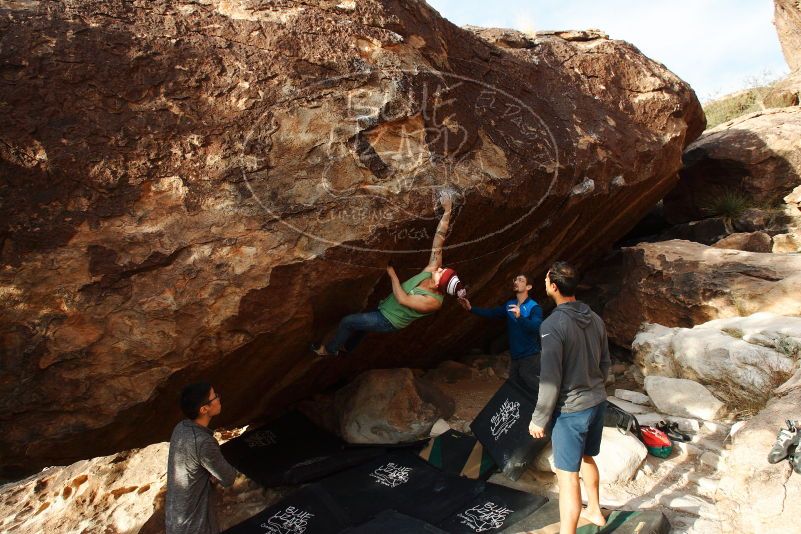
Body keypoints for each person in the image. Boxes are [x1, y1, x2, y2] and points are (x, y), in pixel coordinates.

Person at [312, 191, 466, 357]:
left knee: (348, 322)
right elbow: (439, 239)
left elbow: (403, 299)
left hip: (388, 320)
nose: (439, 268)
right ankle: (348, 347)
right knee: (361, 326)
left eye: (441, 272)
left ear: (438, 285)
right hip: (386, 306)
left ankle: (329, 350)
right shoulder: (432, 269)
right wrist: (447, 210)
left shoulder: (433, 302)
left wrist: (392, 274)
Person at [528, 261, 611, 534]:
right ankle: (596, 512)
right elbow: (605, 364)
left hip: (572, 411)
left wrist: (539, 418)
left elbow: (550, 378)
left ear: (553, 286)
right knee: (587, 457)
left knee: (566, 479)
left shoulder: (553, 324)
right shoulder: (595, 318)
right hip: (597, 402)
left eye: (545, 281)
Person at [166, 383, 238, 534]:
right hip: (196, 525)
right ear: (204, 409)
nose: (219, 399)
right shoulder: (203, 442)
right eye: (215, 397)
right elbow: (228, 478)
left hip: (175, 520)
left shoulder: (181, 428)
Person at [458, 274, 543, 391]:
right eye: (515, 279)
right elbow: (492, 313)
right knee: (517, 387)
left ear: (528, 287)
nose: (516, 282)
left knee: (530, 381)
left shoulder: (534, 307)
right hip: (515, 356)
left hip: (531, 356)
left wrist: (520, 317)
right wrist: (471, 308)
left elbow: (536, 327)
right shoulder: (510, 305)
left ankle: (556, 404)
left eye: (521, 280)